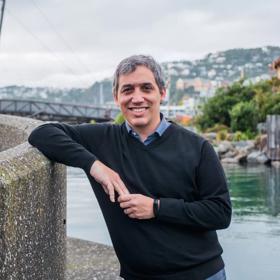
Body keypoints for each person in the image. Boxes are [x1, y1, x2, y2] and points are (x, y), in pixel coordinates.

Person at [28, 55, 231, 280]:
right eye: (127, 90)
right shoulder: (101, 140)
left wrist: (156, 207)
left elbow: (220, 213)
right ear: (116, 97)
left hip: (201, 274)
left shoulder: (198, 147)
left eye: (146, 88)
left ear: (162, 93)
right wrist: (95, 165)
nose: (137, 98)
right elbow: (42, 133)